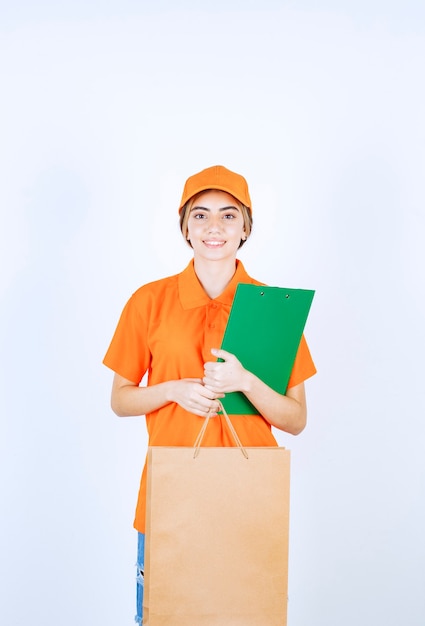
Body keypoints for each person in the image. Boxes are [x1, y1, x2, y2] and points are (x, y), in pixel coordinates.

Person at [103, 164, 316, 624]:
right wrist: (172, 390)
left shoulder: (275, 307)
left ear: (245, 228)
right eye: (199, 215)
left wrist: (246, 383)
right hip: (171, 494)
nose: (213, 227)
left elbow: (295, 419)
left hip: (250, 496)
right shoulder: (150, 300)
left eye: (228, 215)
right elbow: (120, 398)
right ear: (184, 228)